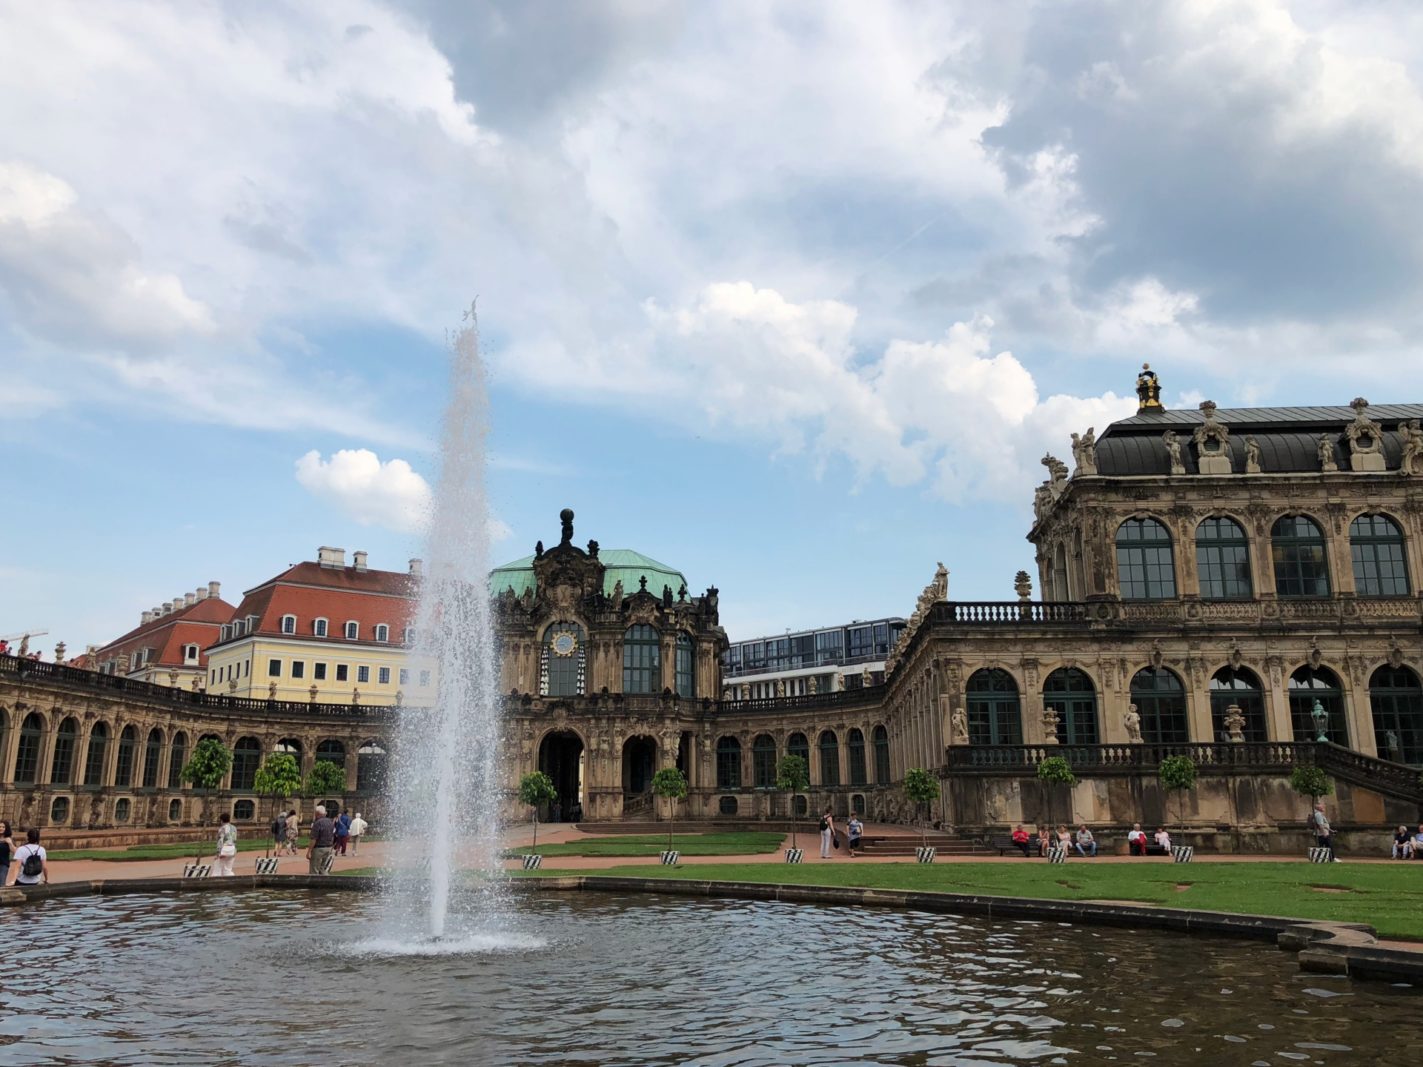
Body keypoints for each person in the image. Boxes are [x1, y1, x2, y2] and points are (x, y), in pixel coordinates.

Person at [307, 805, 336, 874]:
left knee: (314, 870)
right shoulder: (330, 822)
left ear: (317, 813)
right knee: (323, 870)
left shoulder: (317, 823)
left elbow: (314, 838)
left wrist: (309, 851)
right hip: (328, 847)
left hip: (319, 848)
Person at [214, 812, 238, 877]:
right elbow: (235, 840)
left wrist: (218, 853)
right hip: (232, 849)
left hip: (224, 849)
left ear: (221, 820)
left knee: (217, 869)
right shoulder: (234, 828)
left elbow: (220, 841)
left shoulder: (222, 828)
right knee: (228, 870)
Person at [0, 820, 15, 886]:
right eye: (0, 827)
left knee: (1, 884)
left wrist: (10, 843)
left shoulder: (9, 839)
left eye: (3, 827)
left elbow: (15, 852)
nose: (1, 828)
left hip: (3, 865)